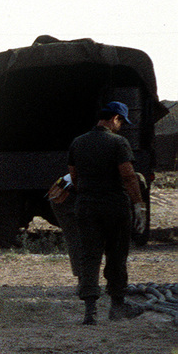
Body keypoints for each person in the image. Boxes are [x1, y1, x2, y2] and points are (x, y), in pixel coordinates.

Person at [68, 101, 145, 325]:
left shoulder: (78, 142)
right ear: (114, 119)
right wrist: (138, 204)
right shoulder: (118, 142)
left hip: (86, 205)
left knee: (89, 255)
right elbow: (129, 176)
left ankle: (90, 311)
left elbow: (73, 176)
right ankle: (117, 306)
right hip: (114, 207)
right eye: (121, 122)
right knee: (117, 255)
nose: (121, 127)